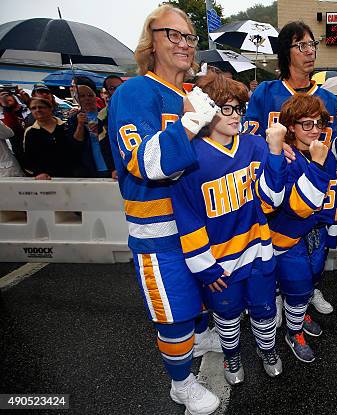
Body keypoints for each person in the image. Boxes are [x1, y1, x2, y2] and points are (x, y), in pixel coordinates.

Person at [107, 5, 222, 415]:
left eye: (189, 37)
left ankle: (199, 331)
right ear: (149, 41)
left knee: (200, 300)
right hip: (160, 234)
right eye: (172, 34)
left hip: (201, 228)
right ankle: (181, 384)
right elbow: (144, 163)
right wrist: (190, 125)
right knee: (171, 315)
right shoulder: (134, 92)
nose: (184, 44)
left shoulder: (192, 94)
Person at [172, 71, 287, 384]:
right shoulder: (190, 158)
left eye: (239, 108)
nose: (236, 115)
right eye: (227, 108)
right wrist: (206, 268)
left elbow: (272, 200)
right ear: (207, 111)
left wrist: (275, 152)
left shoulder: (255, 146)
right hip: (220, 262)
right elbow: (188, 217)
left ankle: (268, 350)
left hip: (259, 251)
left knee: (264, 310)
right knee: (226, 313)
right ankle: (232, 356)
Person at [245, 20, 337, 324]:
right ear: (285, 51)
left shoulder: (330, 98)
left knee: (315, 257)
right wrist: (275, 148)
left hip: (317, 195)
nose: (310, 51)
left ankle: (310, 291)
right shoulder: (266, 92)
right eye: (301, 45)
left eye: (312, 45)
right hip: (279, 193)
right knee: (283, 254)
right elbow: (245, 138)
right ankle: (282, 295)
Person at [268, 94, 336, 363]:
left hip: (316, 230)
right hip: (288, 234)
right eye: (306, 124)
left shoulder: (321, 150)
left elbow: (329, 190)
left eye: (318, 123)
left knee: (311, 278)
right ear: (291, 126)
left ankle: (299, 313)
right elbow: (297, 206)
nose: (315, 129)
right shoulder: (282, 156)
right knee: (296, 283)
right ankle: (293, 332)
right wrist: (318, 164)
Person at [68, 79, 115, 178]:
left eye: (90, 95)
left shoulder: (105, 114)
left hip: (110, 165)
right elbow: (76, 144)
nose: (87, 99)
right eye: (82, 96)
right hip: (88, 167)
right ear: (77, 98)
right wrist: (80, 125)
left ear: (95, 96)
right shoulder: (74, 119)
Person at [23, 97, 78, 179]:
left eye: (41, 107)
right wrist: (39, 172)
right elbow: (29, 158)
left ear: (50, 108)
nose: (37, 110)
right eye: (33, 108)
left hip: (72, 175)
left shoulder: (66, 127)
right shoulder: (30, 132)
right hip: (46, 179)